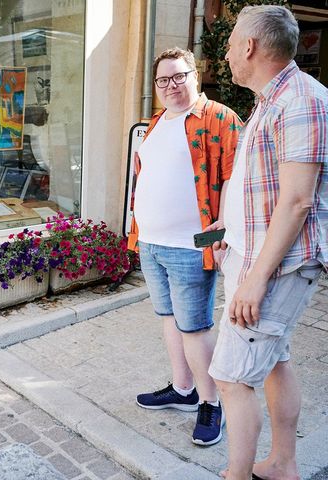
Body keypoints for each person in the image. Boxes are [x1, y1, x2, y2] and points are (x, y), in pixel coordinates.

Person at [206, 6, 327, 480]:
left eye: (233, 41)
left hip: (274, 268)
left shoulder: (303, 100)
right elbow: (254, 188)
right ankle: (281, 464)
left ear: (251, 46)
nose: (229, 51)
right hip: (248, 256)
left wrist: (254, 281)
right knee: (275, 359)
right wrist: (219, 234)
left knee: (231, 378)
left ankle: (236, 476)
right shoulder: (269, 100)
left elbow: (297, 202)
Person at [128, 47, 241, 446]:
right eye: (164, 80)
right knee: (168, 318)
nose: (172, 85)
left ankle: (212, 403)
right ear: (156, 86)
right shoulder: (157, 121)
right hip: (152, 242)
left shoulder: (218, 117)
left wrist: (224, 227)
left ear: (196, 75)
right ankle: (182, 389)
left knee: (194, 327)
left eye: (179, 76)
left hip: (192, 244)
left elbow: (233, 174)